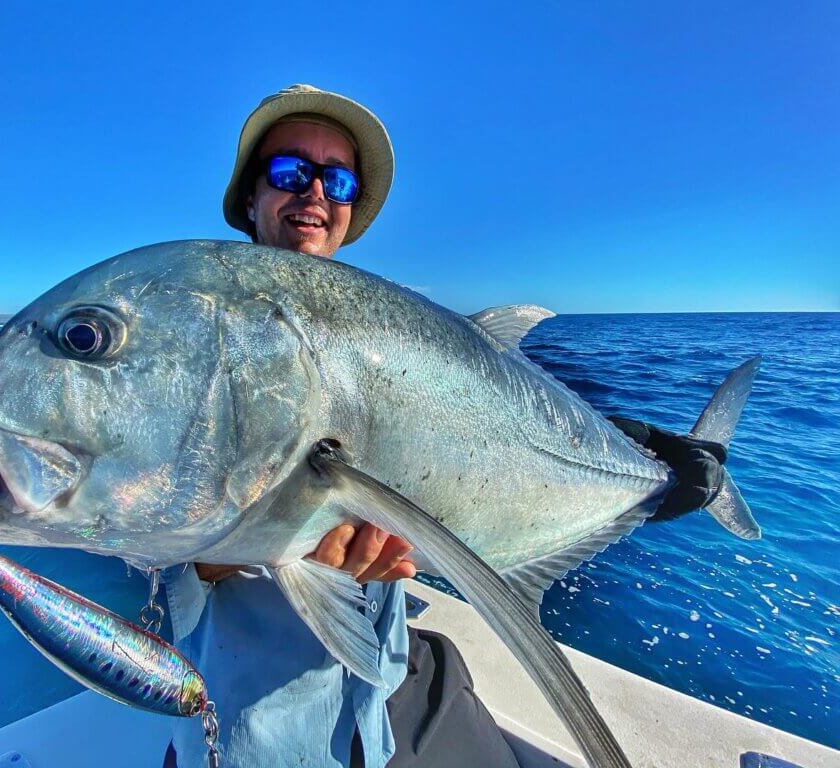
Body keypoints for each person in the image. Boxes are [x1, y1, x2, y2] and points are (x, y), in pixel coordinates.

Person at [159, 84, 729, 767]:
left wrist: (638, 461)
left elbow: (486, 441)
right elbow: (147, 531)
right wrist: (224, 549)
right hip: (260, 729)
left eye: (336, 179)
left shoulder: (393, 338)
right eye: (289, 172)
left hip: (396, 687)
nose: (314, 192)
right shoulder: (191, 327)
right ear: (250, 198)